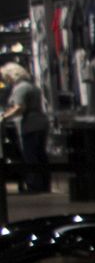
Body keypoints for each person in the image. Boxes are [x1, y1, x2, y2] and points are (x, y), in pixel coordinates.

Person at [2, 63, 51, 194]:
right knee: (40, 155)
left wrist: (4, 116)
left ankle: (34, 185)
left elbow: (19, 107)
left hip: (30, 124)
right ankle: (44, 185)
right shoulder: (31, 86)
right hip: (40, 122)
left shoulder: (20, 88)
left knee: (31, 156)